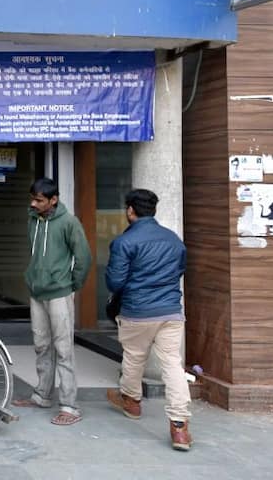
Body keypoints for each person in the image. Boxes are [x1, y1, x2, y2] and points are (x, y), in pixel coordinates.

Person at [104, 189, 193, 452]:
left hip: (137, 311)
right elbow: (179, 270)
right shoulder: (174, 240)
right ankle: (180, 428)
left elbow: (115, 282)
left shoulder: (124, 242)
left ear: (130, 210)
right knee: (173, 365)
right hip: (170, 311)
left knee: (134, 357)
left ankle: (131, 402)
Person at [12, 178, 91, 426]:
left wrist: (71, 285)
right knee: (41, 345)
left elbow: (83, 257)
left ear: (53, 200)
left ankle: (70, 406)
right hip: (37, 292)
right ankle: (42, 395)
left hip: (59, 292)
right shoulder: (33, 220)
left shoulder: (69, 222)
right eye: (32, 199)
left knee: (64, 348)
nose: (33, 204)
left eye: (39, 200)